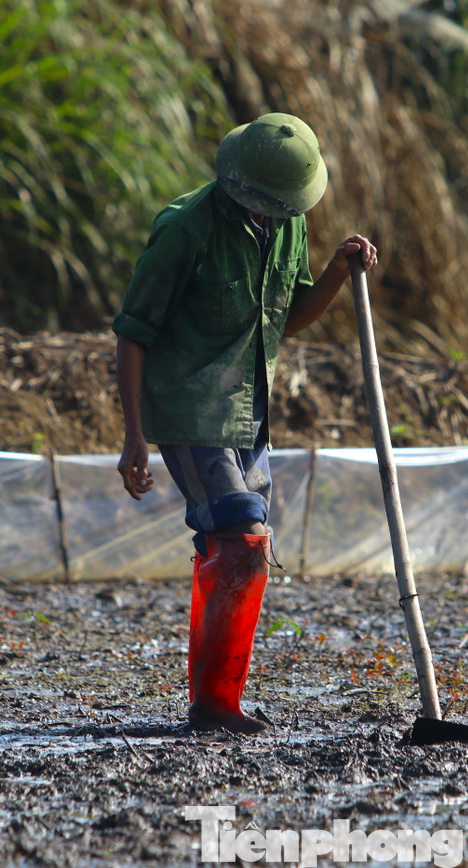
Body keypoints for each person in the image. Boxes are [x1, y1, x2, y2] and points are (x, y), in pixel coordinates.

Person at [113, 112, 378, 733]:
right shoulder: (186, 230)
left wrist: (339, 270)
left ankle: (214, 696)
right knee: (243, 537)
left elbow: (290, 315)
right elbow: (132, 332)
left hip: (247, 413)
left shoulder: (287, 223)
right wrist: (133, 436)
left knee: (231, 549)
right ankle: (215, 707)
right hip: (189, 408)